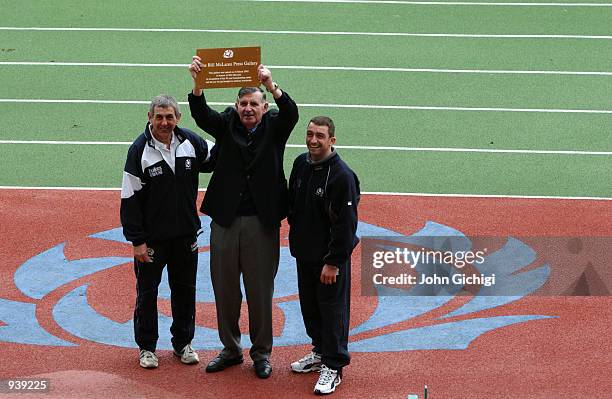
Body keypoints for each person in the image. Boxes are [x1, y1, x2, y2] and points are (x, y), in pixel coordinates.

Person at [187, 56, 299, 378]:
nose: (248, 108)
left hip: (262, 223)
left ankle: (261, 353)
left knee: (260, 292)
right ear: (236, 106)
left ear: (264, 108)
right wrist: (198, 83)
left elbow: (292, 112)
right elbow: (200, 113)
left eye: (254, 103)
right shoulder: (226, 125)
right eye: (243, 103)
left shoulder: (276, 128)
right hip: (224, 221)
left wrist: (270, 84)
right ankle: (231, 349)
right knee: (224, 290)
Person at [120, 94, 215, 369]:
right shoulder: (139, 150)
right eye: (159, 117)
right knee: (147, 293)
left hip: (185, 235)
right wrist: (137, 240)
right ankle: (147, 348)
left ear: (178, 118)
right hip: (152, 240)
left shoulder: (191, 143)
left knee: (185, 291)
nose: (164, 122)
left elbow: (221, 155)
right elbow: (129, 198)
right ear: (149, 117)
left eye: (169, 117)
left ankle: (183, 344)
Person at [287, 116, 360, 395]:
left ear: (332, 141)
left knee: (333, 312)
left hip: (329, 261)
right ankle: (319, 352)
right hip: (304, 254)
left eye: (320, 136)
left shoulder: (342, 175)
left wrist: (333, 262)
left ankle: (334, 365)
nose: (313, 140)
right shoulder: (300, 164)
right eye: (309, 134)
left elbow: (346, 225)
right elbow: (293, 205)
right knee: (310, 308)